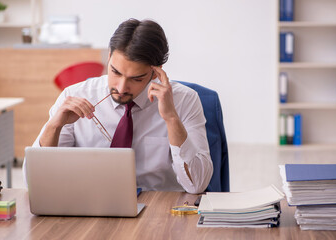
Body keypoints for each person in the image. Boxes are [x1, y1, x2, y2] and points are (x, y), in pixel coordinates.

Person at [23, 19, 213, 194]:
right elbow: (33, 184)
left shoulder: (185, 101)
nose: (121, 88)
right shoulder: (75, 96)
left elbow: (197, 185)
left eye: (136, 78)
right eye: (115, 71)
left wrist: (171, 119)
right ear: (109, 56)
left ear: (156, 73)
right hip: (89, 206)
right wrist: (53, 126)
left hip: (158, 212)